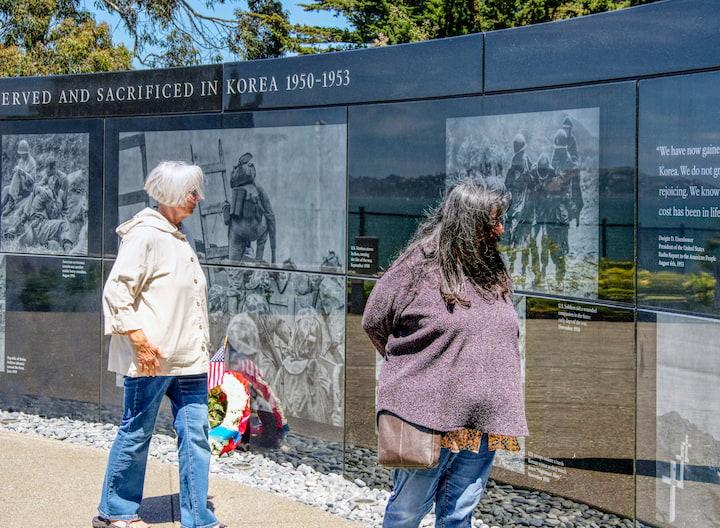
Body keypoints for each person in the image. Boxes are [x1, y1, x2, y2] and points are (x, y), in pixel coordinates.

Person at [362, 179, 528, 528]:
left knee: (458, 513)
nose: (501, 228)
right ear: (468, 222)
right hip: (427, 418)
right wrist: (417, 369)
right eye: (492, 221)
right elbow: (375, 321)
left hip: (483, 419)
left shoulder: (490, 266)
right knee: (408, 511)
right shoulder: (417, 267)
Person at [94, 161, 226, 528]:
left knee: (196, 437)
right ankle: (114, 511)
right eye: (191, 192)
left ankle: (198, 517)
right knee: (136, 431)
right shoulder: (145, 234)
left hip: (189, 361)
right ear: (169, 195)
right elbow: (117, 292)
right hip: (152, 359)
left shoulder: (178, 235)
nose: (198, 198)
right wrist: (139, 341)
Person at [222, 152, 276, 264]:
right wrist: (273, 254)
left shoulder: (235, 190)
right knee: (264, 231)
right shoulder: (258, 188)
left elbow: (229, 217)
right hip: (256, 231)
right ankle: (258, 261)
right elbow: (270, 215)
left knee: (233, 235)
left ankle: (234, 266)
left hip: (238, 231)